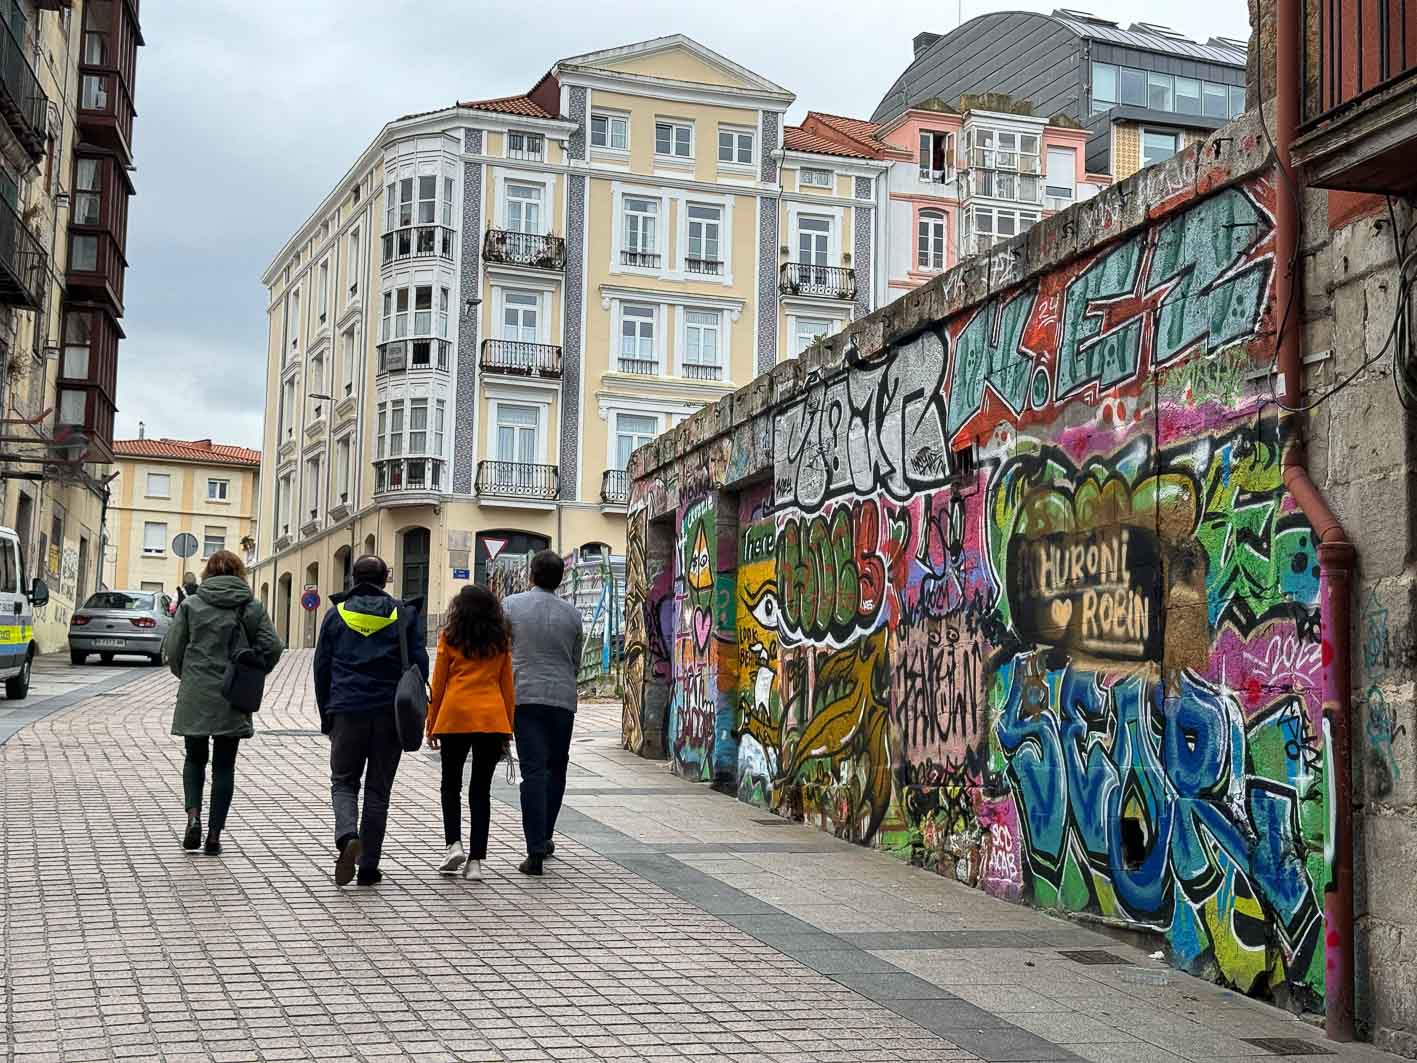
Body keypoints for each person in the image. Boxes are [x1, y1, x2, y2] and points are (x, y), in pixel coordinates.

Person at [314, 555, 429, 887]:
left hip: (347, 710)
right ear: (385, 579)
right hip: (389, 714)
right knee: (378, 790)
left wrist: (327, 714)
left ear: (353, 578)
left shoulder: (336, 616)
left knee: (343, 781)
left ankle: (348, 834)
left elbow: (321, 667)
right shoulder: (404, 614)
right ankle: (368, 867)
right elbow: (420, 666)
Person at [164, 550, 283, 855]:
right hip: (234, 694)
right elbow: (272, 646)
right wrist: (253, 672)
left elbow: (174, 649)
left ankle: (193, 818)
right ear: (240, 573)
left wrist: (186, 674)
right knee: (225, 765)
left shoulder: (191, 605)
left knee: (194, 759)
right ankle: (215, 834)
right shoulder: (251, 607)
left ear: (207, 574)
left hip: (197, 691)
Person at [425, 586, 515, 880]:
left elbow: (438, 684)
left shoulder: (449, 637)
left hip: (455, 717)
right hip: (491, 718)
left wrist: (431, 723)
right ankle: (475, 861)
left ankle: (454, 844)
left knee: (450, 784)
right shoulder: (500, 641)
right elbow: (507, 687)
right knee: (481, 791)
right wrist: (508, 728)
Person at [503, 549, 583, 876]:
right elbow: (576, 662)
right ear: (560, 578)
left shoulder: (510, 606)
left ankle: (534, 849)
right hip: (563, 699)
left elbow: (502, 651)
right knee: (557, 768)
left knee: (533, 771)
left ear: (531, 574)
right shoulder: (573, 614)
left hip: (525, 698)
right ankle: (546, 835)